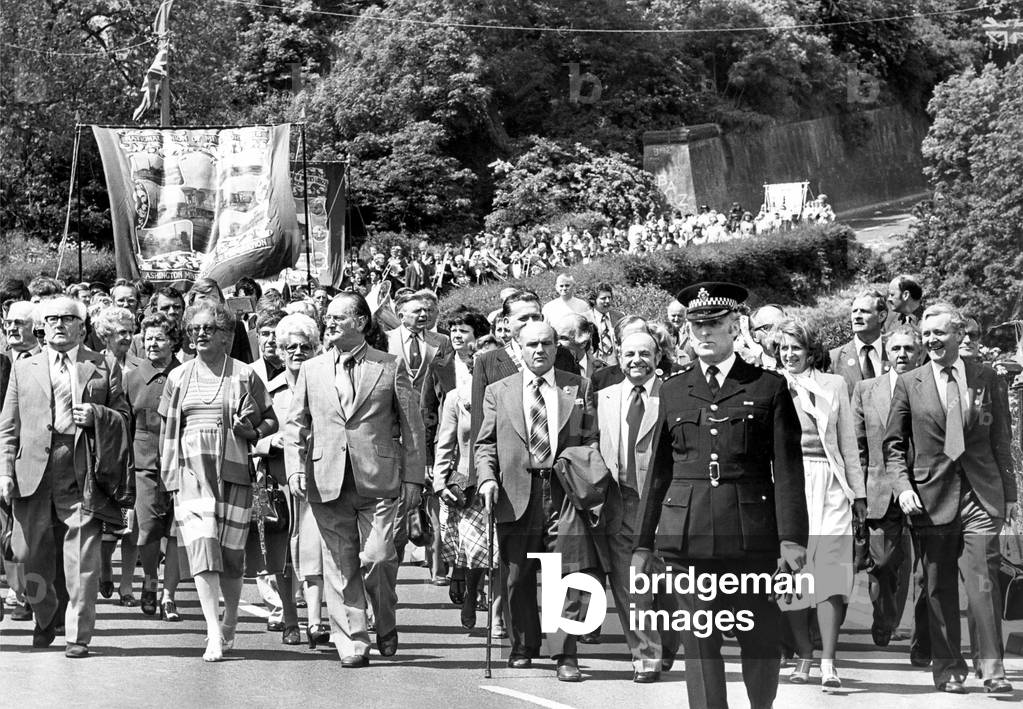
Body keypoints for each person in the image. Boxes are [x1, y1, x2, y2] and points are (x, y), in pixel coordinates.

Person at [636, 282, 808, 709]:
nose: (703, 334)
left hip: (751, 537)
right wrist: (642, 542)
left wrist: (791, 540)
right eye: (696, 326)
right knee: (700, 644)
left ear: (735, 327)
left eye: (713, 325)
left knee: (760, 638)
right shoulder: (674, 389)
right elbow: (659, 471)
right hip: (687, 538)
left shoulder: (767, 387)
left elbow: (788, 471)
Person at [284, 292, 425, 667]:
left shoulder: (390, 366)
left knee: (377, 558)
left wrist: (415, 480)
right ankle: (352, 641)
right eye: (327, 318)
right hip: (326, 477)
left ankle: (386, 621)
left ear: (361, 322)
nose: (328, 323)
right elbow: (296, 423)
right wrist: (296, 467)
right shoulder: (312, 369)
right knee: (339, 562)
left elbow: (412, 429)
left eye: (337, 317)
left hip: (379, 479)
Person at [884, 303, 1015, 694]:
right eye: (926, 335)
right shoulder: (911, 382)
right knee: (938, 586)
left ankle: (992, 668)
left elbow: (1001, 440)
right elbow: (893, 445)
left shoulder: (987, 377)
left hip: (981, 493)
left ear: (959, 334)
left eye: (939, 333)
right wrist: (903, 487)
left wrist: (1010, 495)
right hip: (930, 497)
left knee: (982, 581)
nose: (931, 341)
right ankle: (948, 669)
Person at [0, 296, 130, 659]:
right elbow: (8, 427)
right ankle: (46, 613)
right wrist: (4, 472)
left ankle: (78, 634)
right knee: (25, 554)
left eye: (66, 318)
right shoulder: (25, 367)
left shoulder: (102, 365)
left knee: (82, 557)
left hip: (82, 469)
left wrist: (98, 414)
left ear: (81, 326)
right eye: (51, 319)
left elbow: (124, 416)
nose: (57, 324)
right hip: (33, 473)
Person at [476, 321, 598, 682]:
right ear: (518, 347)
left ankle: (564, 652)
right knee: (517, 576)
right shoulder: (499, 390)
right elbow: (484, 444)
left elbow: (591, 437)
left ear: (556, 345)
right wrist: (485, 479)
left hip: (563, 493)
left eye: (546, 343)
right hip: (516, 493)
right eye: (531, 344)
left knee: (568, 574)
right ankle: (524, 644)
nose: (539, 350)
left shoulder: (578, 386)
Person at [159, 301, 278, 662]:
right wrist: (169, 476)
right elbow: (166, 428)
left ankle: (230, 618)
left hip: (234, 471)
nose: (199, 335)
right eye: (194, 329)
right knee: (202, 550)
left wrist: (252, 430)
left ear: (227, 336)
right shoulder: (178, 376)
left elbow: (271, 420)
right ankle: (212, 630)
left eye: (208, 328)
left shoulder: (244, 374)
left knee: (230, 556)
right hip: (192, 472)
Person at [773, 317, 866, 689]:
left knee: (829, 576)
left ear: (810, 350)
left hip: (830, 483)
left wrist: (857, 494)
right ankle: (804, 658)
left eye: (796, 347)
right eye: (783, 348)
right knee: (794, 573)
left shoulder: (834, 384)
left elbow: (848, 443)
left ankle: (829, 662)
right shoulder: (772, 386)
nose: (789, 354)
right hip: (789, 483)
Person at [595, 330, 678, 682]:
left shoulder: (674, 395)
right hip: (620, 502)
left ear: (657, 357)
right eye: (629, 354)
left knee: (667, 586)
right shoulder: (603, 398)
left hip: (663, 503)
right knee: (631, 587)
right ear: (618, 356)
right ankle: (644, 656)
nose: (636, 361)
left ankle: (666, 645)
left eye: (644, 354)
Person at [251, 314, 323, 647]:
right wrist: (270, 442)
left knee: (315, 551)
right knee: (282, 556)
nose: (296, 352)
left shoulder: (326, 385)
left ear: (316, 348)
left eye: (304, 346)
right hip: (278, 483)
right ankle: (290, 618)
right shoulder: (268, 391)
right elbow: (247, 436)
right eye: (289, 346)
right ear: (279, 351)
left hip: (319, 480)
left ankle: (316, 620)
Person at [852, 325, 920, 653]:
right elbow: (858, 447)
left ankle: (922, 634)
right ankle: (885, 616)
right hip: (879, 489)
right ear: (886, 353)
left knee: (916, 565)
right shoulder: (866, 389)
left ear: (919, 352)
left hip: (923, 487)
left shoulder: (929, 387)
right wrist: (858, 494)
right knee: (882, 562)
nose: (902, 355)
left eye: (909, 348)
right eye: (896, 349)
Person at [432, 310, 496, 630]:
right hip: (467, 480)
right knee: (475, 549)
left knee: (495, 549)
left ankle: (499, 615)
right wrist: (439, 481)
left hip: (504, 480)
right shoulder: (457, 398)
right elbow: (445, 443)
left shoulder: (513, 396)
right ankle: (471, 592)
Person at [124, 312, 182, 620]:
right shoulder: (131, 377)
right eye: (147, 339)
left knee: (175, 532)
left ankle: (169, 596)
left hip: (181, 465)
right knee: (146, 530)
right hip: (145, 466)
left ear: (173, 341)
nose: (152, 343)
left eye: (159, 337)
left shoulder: (185, 372)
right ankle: (149, 580)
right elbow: (125, 423)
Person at [93, 306, 144, 606]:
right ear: (105, 335)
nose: (127, 337)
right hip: (106, 453)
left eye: (129, 331)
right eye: (120, 332)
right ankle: (103, 569)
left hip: (136, 450)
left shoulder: (141, 365)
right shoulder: (96, 364)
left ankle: (127, 587)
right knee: (105, 523)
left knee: (131, 523)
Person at [829, 290, 888, 395]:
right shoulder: (834, 359)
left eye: (864, 311)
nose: (857, 316)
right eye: (854, 311)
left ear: (881, 316)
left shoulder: (895, 353)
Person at [553, 313, 604, 380]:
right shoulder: (550, 369)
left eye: (563, 338)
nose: (557, 343)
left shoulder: (604, 371)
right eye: (555, 338)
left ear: (583, 343)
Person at [588, 283, 624, 365]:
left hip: (616, 366)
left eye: (609, 297)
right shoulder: (586, 319)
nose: (607, 301)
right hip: (594, 365)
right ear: (594, 300)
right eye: (603, 298)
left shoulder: (619, 316)